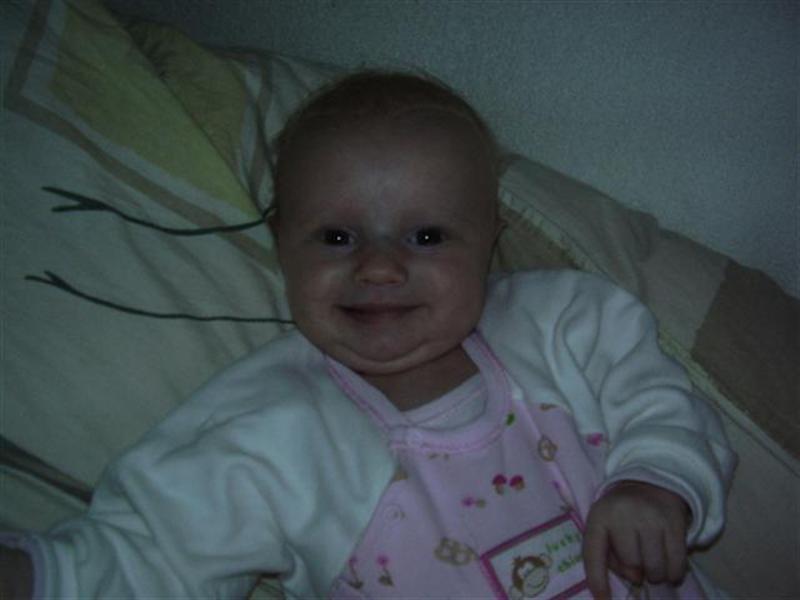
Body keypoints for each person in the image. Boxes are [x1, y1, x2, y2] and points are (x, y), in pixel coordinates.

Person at [1, 71, 735, 599]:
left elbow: (667, 407)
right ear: (282, 244)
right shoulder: (273, 427)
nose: (379, 267)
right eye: (337, 236)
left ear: (489, 239)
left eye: (426, 235)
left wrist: (654, 483)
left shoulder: (565, 325)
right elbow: (149, 557)